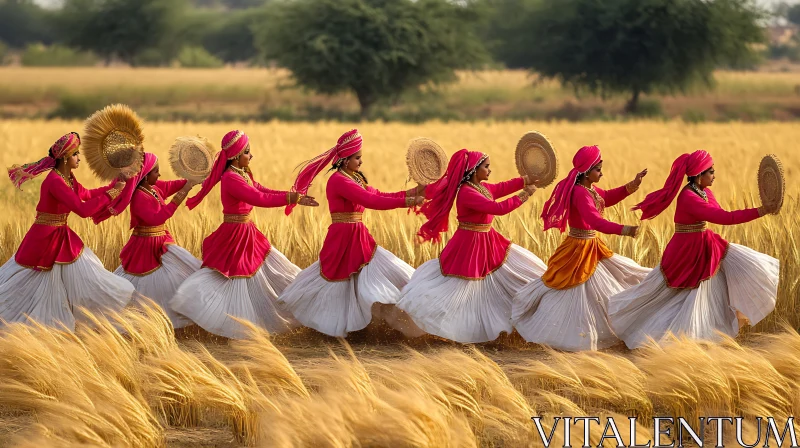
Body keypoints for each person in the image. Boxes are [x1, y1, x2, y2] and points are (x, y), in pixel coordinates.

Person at [607, 150, 780, 348]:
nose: (715, 175)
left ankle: (707, 336)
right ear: (699, 175)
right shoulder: (689, 197)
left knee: (709, 291)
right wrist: (761, 211)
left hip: (705, 245)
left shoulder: (705, 192)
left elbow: (722, 213)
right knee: (674, 296)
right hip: (686, 251)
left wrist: (763, 210)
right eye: (711, 171)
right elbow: (724, 218)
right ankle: (680, 339)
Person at [170, 130, 318, 339]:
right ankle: (233, 325)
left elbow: (261, 189)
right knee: (239, 280)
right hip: (235, 235)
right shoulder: (231, 178)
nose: (251, 156)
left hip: (248, 233)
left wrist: (294, 197)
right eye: (247, 152)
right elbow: (257, 197)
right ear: (235, 156)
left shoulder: (242, 174)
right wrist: (291, 197)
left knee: (273, 272)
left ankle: (290, 308)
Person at [277, 129, 426, 338]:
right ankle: (336, 329)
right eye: (357, 158)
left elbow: (378, 194)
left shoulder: (354, 178)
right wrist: (408, 202)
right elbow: (370, 201)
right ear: (345, 160)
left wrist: (416, 191)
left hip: (358, 236)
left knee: (365, 280)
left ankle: (365, 328)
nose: (361, 162)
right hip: (343, 238)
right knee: (342, 283)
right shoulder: (339, 181)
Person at [396, 149, 546, 343]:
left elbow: (501, 188)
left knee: (513, 276)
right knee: (465, 290)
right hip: (470, 244)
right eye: (486, 167)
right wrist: (525, 195)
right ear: (474, 170)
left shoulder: (480, 188)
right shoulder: (467, 193)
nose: (490, 170)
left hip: (489, 241)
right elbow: (497, 208)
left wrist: (525, 180)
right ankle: (465, 331)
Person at [511, 145, 651, 351]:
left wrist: (633, 184)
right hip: (578, 249)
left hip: (593, 247)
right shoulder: (580, 193)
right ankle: (574, 336)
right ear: (586, 171)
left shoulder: (589, 190)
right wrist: (624, 230)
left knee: (604, 287)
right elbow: (594, 220)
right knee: (578, 295)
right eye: (598, 169)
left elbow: (608, 197)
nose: (601, 173)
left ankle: (596, 331)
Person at [0, 132, 137, 330]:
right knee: (29, 286)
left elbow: (87, 194)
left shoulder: (68, 178)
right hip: (44, 239)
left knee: (87, 274)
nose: (79, 158)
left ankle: (86, 320)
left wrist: (114, 187)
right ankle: (41, 327)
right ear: (65, 158)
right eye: (75, 155)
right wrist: (112, 193)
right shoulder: (55, 182)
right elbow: (82, 210)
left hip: (59, 235)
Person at [96, 152, 200, 328]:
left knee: (186, 274)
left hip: (162, 243)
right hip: (145, 248)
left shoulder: (153, 188)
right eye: (156, 172)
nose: (159, 175)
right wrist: (180, 196)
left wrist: (190, 180)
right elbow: (156, 219)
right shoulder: (139, 198)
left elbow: (170, 185)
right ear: (145, 176)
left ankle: (171, 321)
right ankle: (146, 324)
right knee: (147, 288)